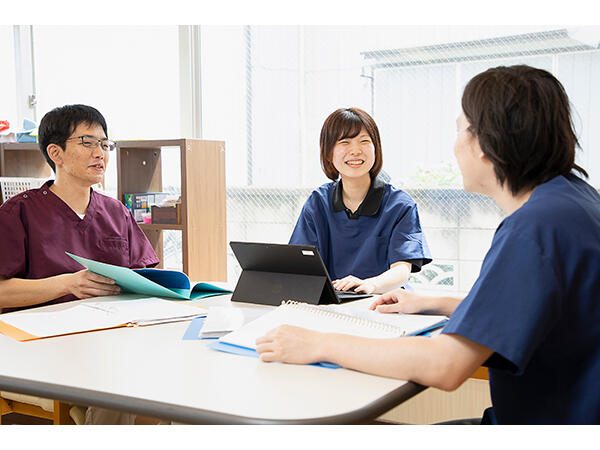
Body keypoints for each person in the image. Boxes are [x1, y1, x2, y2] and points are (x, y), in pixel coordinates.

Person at [256, 65, 600, 424]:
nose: (455, 147)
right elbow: (537, 303)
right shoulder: (575, 203)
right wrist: (436, 301)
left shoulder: (534, 229)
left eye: (459, 130)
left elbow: (446, 365)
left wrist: (318, 344)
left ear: (486, 142)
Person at [0, 104, 160, 424]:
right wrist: (68, 283)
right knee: (118, 383)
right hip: (43, 346)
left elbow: (147, 274)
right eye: (87, 142)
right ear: (56, 153)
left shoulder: (115, 211)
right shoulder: (18, 212)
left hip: (109, 335)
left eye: (104, 144)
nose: (100, 152)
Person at [289, 107, 431, 294]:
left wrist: (370, 285)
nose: (355, 151)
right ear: (328, 152)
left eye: (364, 141)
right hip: (333, 305)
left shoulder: (400, 205)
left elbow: (402, 270)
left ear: (376, 149)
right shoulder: (318, 202)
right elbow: (300, 263)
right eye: (344, 142)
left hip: (384, 303)